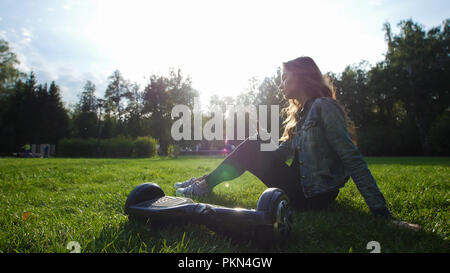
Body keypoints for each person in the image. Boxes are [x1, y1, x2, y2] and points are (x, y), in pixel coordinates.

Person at [175, 56, 420, 231]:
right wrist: (260, 144)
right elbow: (281, 154)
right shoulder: (302, 114)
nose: (280, 85)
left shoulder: (324, 107)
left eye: (284, 79)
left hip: (311, 196)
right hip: (300, 187)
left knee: (251, 147)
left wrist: (382, 213)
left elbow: (352, 157)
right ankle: (203, 183)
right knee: (253, 144)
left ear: (301, 78)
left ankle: (203, 186)